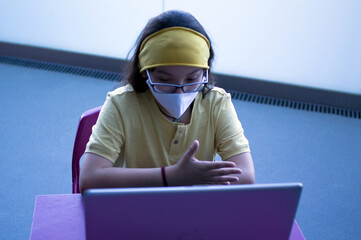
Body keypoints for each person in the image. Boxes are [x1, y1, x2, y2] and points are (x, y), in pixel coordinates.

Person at [80, 10, 255, 192]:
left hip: (195, 208)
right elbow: (89, 178)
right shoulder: (121, 104)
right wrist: (171, 176)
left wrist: (192, 178)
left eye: (191, 79)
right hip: (140, 207)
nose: (180, 90)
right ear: (144, 72)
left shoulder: (217, 103)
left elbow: (246, 175)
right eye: (165, 80)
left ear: (205, 73)